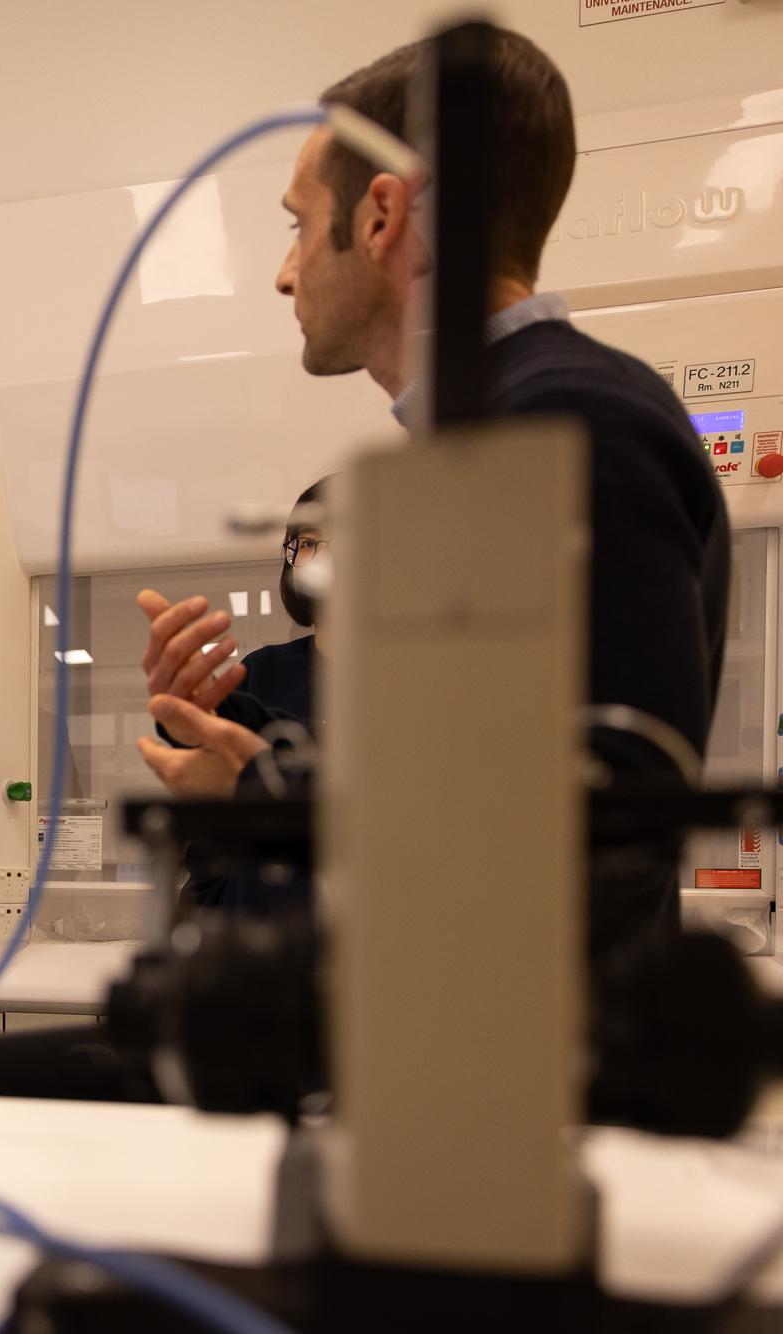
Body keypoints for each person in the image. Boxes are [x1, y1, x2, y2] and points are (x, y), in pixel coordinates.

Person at [134, 30, 729, 955]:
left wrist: (265, 798)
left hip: (526, 1066)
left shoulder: (563, 424)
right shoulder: (509, 423)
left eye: (296, 223)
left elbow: (595, 828)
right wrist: (248, 738)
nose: (285, 271)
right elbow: (480, 774)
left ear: (379, 217)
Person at [146, 479, 329, 915]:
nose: (321, 558)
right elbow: (214, 847)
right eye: (307, 543)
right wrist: (185, 724)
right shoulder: (263, 671)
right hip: (263, 954)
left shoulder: (419, 684)